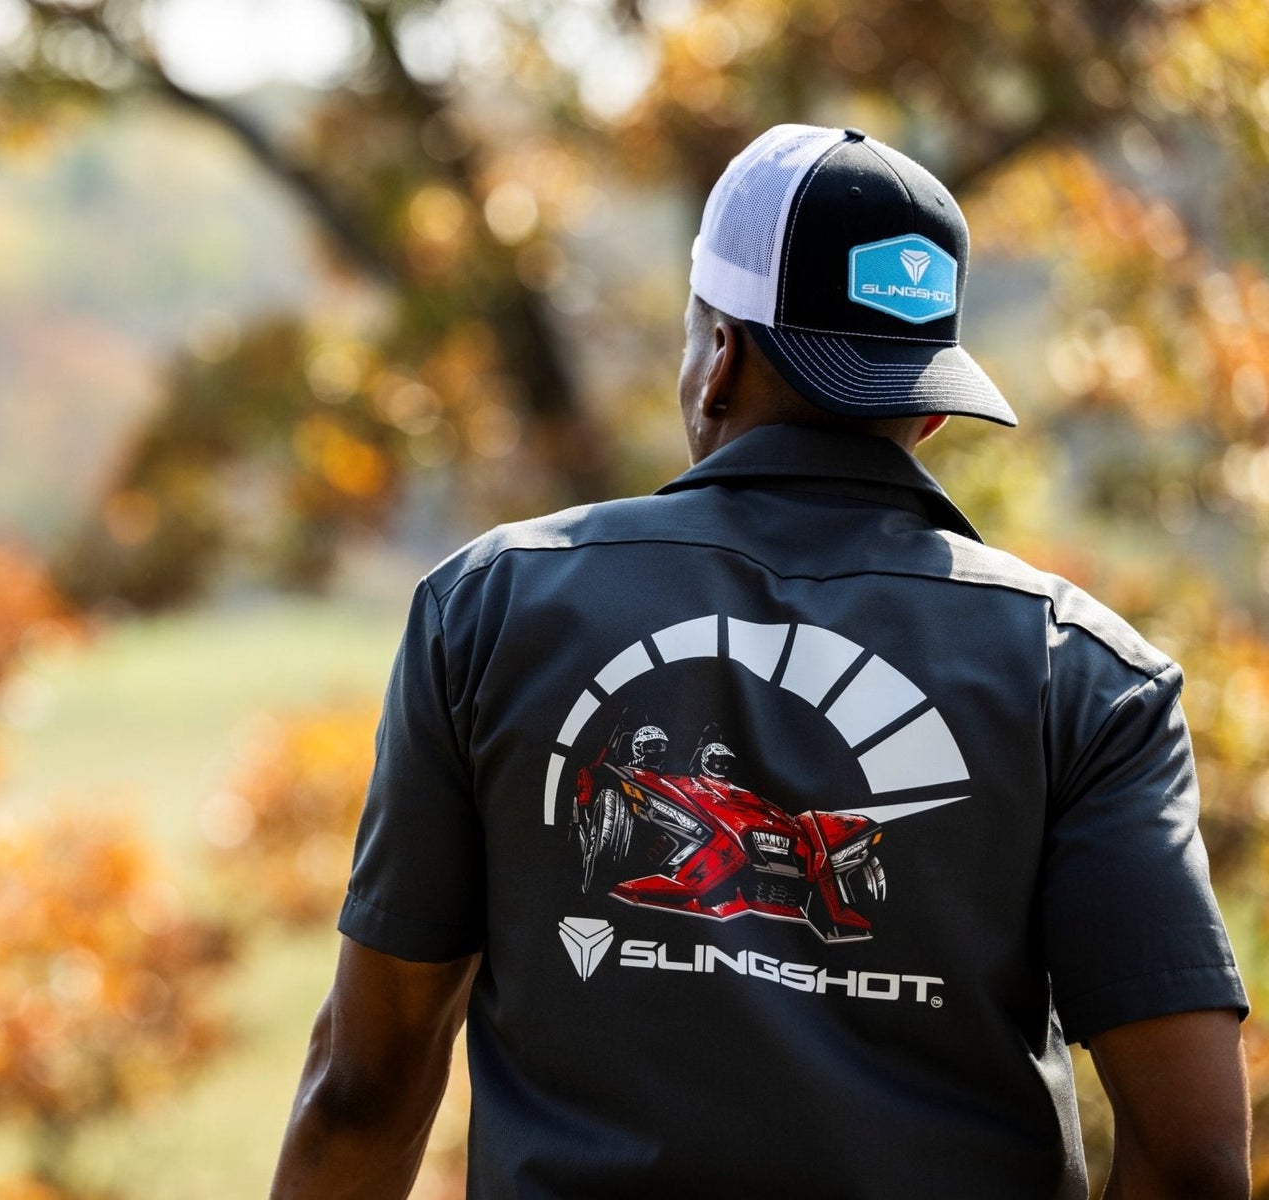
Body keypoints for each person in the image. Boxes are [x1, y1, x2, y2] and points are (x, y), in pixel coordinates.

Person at [269, 125, 1251, 1199]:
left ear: (721, 358)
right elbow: (1194, 1156)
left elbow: (367, 1088)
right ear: (929, 406)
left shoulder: (490, 608)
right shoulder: (1087, 676)